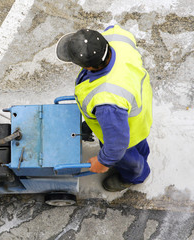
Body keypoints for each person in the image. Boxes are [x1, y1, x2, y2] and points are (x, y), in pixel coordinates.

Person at [56, 25, 153, 192]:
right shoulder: (117, 36)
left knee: (128, 159)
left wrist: (103, 162)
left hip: (127, 128)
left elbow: (116, 145)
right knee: (140, 145)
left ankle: (135, 177)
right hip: (137, 107)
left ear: (90, 67)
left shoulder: (106, 100)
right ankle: (140, 158)